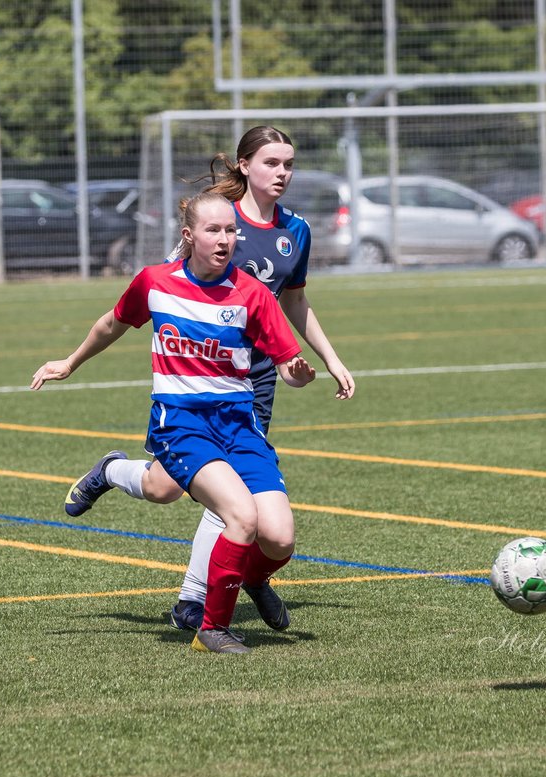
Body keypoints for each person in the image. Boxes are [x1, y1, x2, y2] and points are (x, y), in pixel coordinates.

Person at [63, 126, 356, 635]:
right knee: (170, 490)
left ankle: (199, 598)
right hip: (196, 380)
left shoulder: (297, 231)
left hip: (254, 381)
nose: (282, 172)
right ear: (244, 166)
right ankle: (118, 477)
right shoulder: (216, 218)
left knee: (231, 502)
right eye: (271, 162)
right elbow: (168, 291)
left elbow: (295, 302)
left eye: (289, 163)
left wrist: (327, 359)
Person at [32, 192, 315, 654]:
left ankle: (246, 577)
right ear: (188, 236)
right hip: (181, 423)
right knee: (240, 517)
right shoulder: (155, 282)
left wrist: (299, 375)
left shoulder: (252, 294)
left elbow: (288, 366)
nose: (225, 240)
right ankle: (211, 628)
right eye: (213, 231)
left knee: (279, 538)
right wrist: (70, 361)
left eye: (230, 231)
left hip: (239, 426)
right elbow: (111, 324)